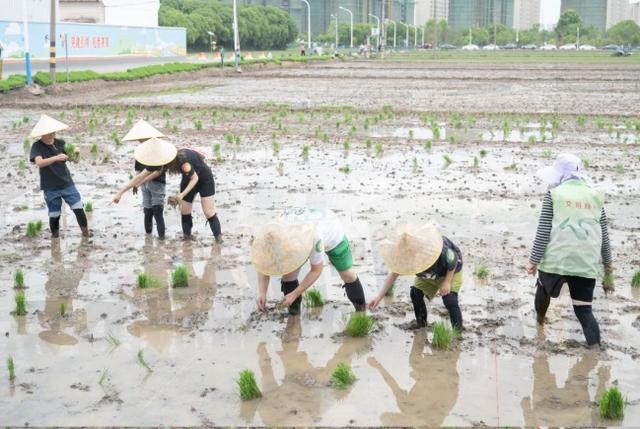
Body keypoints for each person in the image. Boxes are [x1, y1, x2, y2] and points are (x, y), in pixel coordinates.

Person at [526, 153, 612, 347]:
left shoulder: (553, 194)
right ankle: (595, 350)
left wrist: (533, 261)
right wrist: (608, 264)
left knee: (543, 290)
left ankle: (539, 323)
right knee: (584, 311)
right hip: (585, 263)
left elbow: (543, 230)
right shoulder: (595, 196)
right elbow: (604, 235)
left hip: (556, 260)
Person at [252, 207, 366, 315]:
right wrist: (262, 292)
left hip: (332, 231)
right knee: (288, 276)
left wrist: (295, 294)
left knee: (347, 274)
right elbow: (263, 262)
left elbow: (316, 270)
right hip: (300, 228)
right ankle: (294, 317)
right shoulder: (272, 233)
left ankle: (361, 312)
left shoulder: (315, 237)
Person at [368, 223, 463, 330]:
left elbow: (453, 259)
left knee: (450, 301)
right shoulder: (403, 254)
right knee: (415, 293)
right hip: (427, 274)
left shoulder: (436, 247)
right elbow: (394, 273)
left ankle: (457, 333)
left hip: (450, 271)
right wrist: (379, 297)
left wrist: (446, 282)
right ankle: (421, 325)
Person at [28, 114, 91, 238]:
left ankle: (86, 234)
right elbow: (39, 163)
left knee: (78, 208)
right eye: (48, 133)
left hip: (67, 183)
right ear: (41, 134)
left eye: (53, 132)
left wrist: (76, 154)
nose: (52, 135)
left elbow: (74, 160)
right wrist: (56, 157)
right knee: (54, 214)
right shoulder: (37, 146)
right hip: (50, 187)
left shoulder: (61, 143)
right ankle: (55, 238)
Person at [112, 120, 167, 238]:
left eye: (142, 138)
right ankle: (148, 240)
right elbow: (138, 172)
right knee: (147, 211)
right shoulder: (140, 151)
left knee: (157, 211)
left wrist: (121, 192)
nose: (139, 141)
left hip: (157, 184)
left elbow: (157, 172)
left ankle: (161, 241)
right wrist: (137, 183)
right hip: (144, 185)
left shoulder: (158, 151)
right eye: (139, 139)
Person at [161, 147, 222, 243]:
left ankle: (218, 239)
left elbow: (195, 179)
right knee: (185, 210)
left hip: (204, 179)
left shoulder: (184, 163)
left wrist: (181, 195)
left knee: (208, 211)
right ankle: (187, 238)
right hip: (188, 178)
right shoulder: (175, 157)